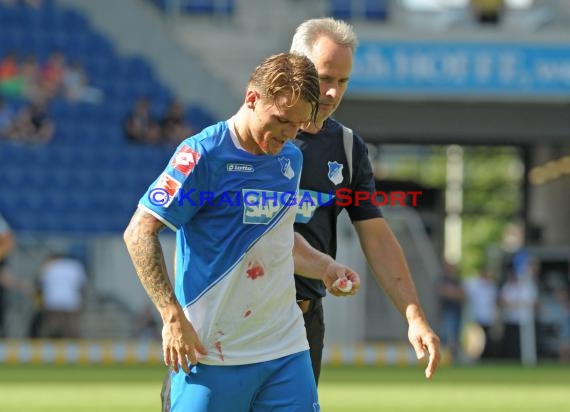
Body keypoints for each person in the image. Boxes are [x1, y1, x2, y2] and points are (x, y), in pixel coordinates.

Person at [125, 52, 360, 412]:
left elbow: (276, 237)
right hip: (211, 352)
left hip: (285, 349)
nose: (288, 133)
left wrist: (326, 267)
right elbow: (139, 232)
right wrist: (171, 317)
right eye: (281, 119)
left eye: (298, 125)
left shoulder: (289, 159)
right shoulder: (202, 155)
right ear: (252, 99)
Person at [288, 17, 441, 383]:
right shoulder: (251, 139)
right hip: (238, 317)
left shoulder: (347, 148)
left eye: (342, 82)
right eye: (325, 78)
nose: (332, 93)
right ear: (297, 69)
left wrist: (413, 315)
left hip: (302, 321)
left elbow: (376, 235)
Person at [37, 253, 88, 338]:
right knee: (71, 328)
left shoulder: (49, 265)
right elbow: (82, 285)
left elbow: (40, 283)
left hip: (53, 301)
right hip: (71, 301)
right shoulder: (75, 266)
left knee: (51, 327)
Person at [437, 262, 465, 362]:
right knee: (445, 335)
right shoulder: (444, 279)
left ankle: (453, 358)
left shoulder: (457, 280)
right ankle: (442, 358)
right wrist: (454, 293)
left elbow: (463, 295)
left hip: (456, 311)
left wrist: (453, 293)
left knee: (454, 336)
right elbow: (444, 292)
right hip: (447, 311)